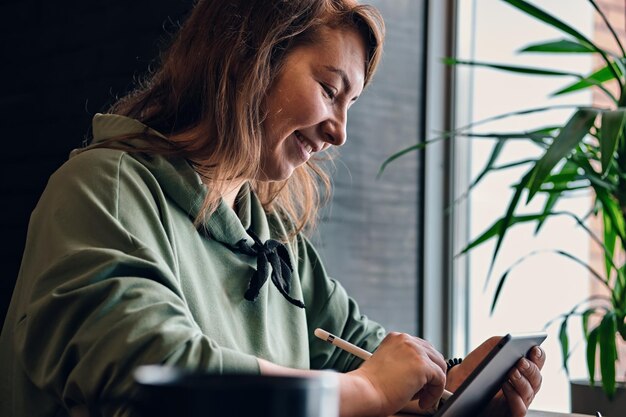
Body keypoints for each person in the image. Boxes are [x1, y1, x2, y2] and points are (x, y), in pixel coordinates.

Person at [0, 1, 545, 416]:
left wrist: (450, 387)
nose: (339, 132)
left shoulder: (271, 234)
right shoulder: (103, 190)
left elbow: (355, 352)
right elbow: (155, 376)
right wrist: (368, 389)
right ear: (248, 57)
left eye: (350, 105)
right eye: (330, 90)